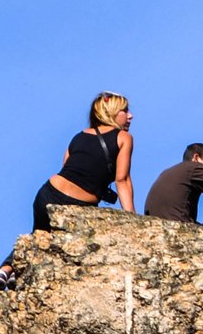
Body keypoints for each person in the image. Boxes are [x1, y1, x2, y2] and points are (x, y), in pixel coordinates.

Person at [33, 92, 134, 231]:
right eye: (125, 110)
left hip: (48, 193)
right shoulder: (124, 137)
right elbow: (122, 180)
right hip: (78, 205)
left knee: (38, 244)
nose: (130, 115)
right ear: (112, 112)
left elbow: (66, 169)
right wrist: (133, 221)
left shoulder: (78, 137)